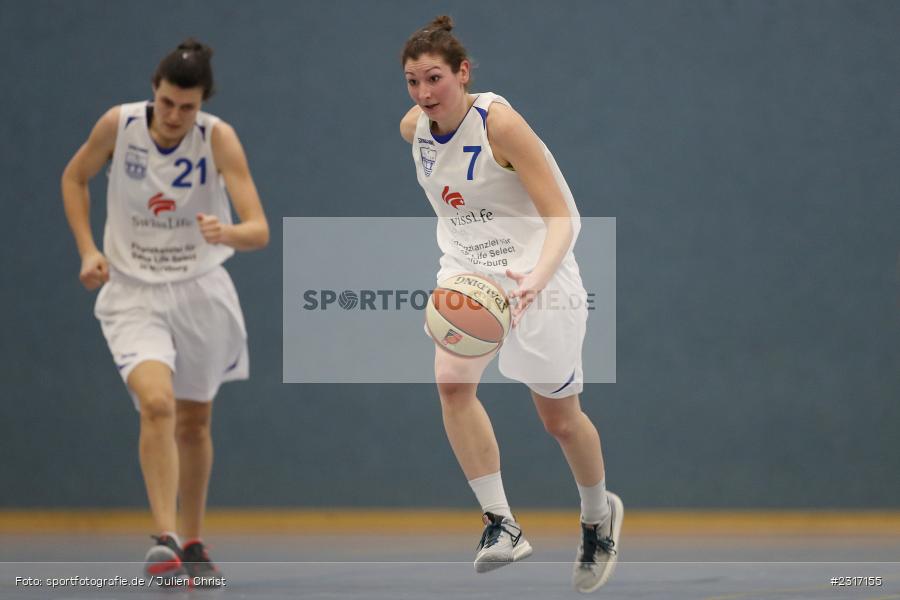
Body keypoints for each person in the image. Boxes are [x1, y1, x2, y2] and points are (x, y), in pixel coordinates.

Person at [399, 16, 622, 593]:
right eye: (413, 81)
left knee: (560, 419)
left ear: (463, 73)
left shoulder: (499, 124)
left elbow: (563, 218)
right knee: (451, 381)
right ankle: (501, 523)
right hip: (469, 273)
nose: (424, 94)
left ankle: (598, 515)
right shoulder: (414, 129)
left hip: (537, 271)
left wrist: (534, 278)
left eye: (435, 79)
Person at [61, 39, 269, 587]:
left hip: (199, 290)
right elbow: (74, 178)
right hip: (132, 291)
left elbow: (259, 229)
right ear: (154, 91)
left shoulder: (217, 139)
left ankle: (194, 539)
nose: (175, 116)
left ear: (203, 103)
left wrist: (228, 231)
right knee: (156, 404)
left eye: (188, 107)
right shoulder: (120, 125)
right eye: (168, 103)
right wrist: (88, 249)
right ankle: (164, 538)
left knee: (195, 422)